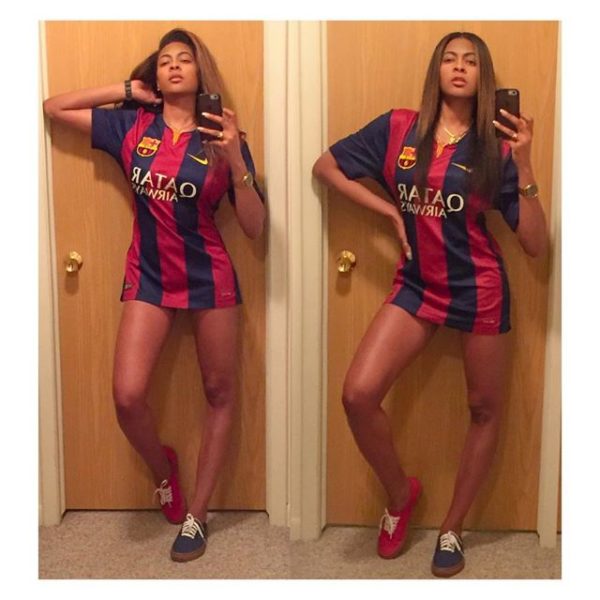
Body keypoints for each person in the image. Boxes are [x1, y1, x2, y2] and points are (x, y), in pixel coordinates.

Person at [312, 31, 547, 578]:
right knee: (357, 394)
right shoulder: (398, 128)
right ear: (436, 70)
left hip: (479, 287)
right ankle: (401, 494)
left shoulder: (495, 146)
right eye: (450, 59)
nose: (459, 67)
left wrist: (526, 166)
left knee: (483, 408)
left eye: (471, 61)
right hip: (417, 285)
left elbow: (536, 245)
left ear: (483, 76)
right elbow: (325, 167)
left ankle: (452, 527)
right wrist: (388, 212)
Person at [43, 28, 265, 563]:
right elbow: (53, 108)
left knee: (219, 392)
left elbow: (256, 228)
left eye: (184, 59)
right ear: (156, 76)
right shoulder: (131, 126)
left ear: (200, 72)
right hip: (148, 276)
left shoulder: (221, 135)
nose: (174, 66)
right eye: (165, 61)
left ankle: (198, 515)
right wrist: (126, 89)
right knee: (127, 395)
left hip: (210, 276)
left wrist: (236, 160)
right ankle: (165, 472)